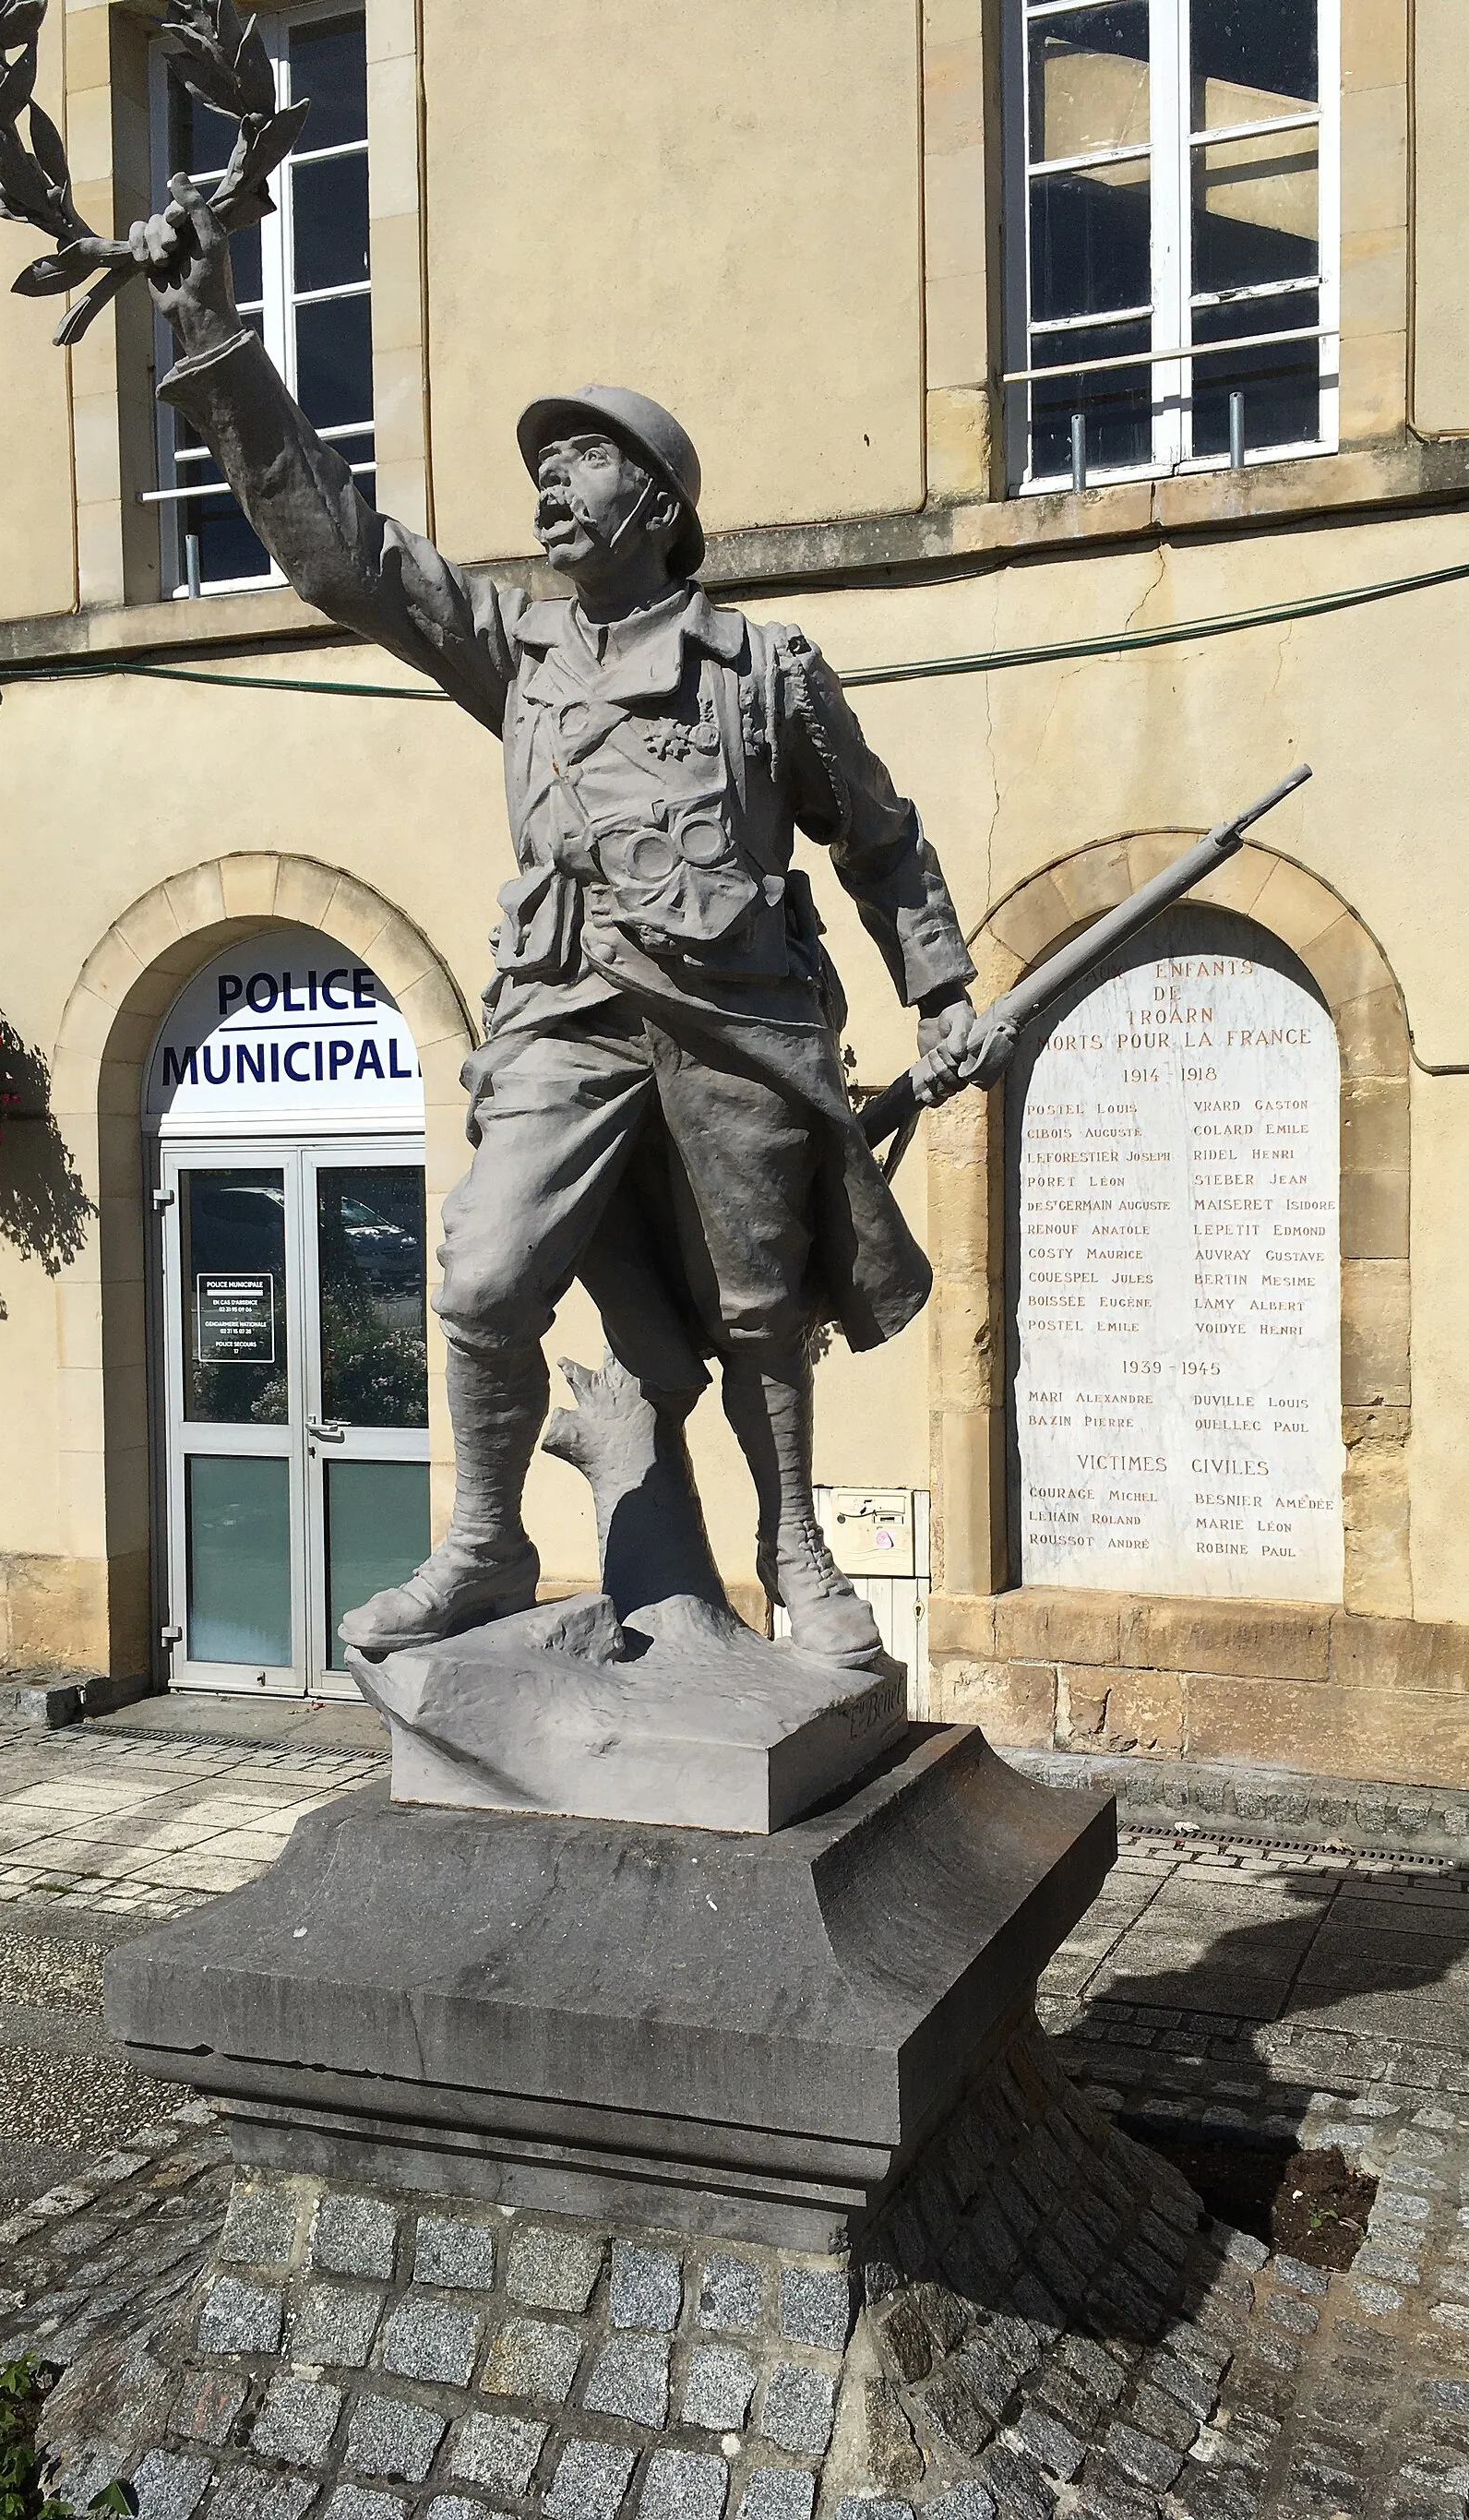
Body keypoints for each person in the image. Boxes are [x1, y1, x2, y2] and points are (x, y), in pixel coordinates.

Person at [136, 175, 1011, 1666]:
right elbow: (344, 553)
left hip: (735, 1011)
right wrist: (215, 332)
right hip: (561, 1014)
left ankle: (790, 1543)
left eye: (582, 457)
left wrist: (938, 992)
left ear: (658, 505)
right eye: (544, 461)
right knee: (479, 1271)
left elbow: (878, 834)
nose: (547, 479)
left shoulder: (760, 669)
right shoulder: (517, 648)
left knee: (758, 1305)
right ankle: (485, 1541)